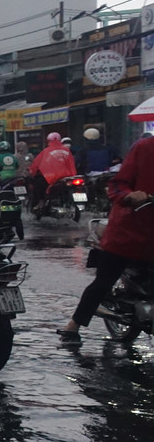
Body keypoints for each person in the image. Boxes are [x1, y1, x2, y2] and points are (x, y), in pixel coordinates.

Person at [58, 136, 154, 341]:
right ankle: (73, 325)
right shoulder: (144, 148)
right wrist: (130, 196)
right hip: (130, 232)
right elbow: (118, 185)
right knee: (104, 282)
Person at [28, 131, 77, 208]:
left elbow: (36, 164)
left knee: (38, 184)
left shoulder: (46, 151)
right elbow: (72, 163)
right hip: (67, 176)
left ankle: (40, 203)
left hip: (52, 177)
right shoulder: (66, 151)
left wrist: (32, 172)